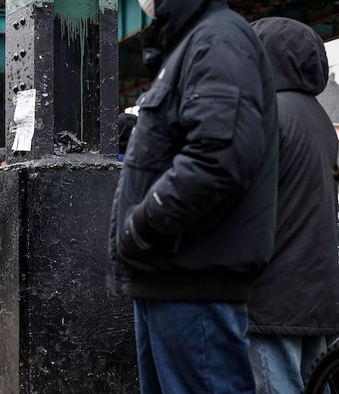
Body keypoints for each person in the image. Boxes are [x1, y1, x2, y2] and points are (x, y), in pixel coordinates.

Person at [108, 1, 279, 393]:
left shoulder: (217, 40)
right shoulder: (197, 43)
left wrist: (141, 226)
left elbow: (218, 157)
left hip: (191, 279)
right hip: (171, 276)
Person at [246, 17, 339, 394]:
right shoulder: (318, 117)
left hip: (271, 296)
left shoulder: (266, 117)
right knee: (316, 382)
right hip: (315, 292)